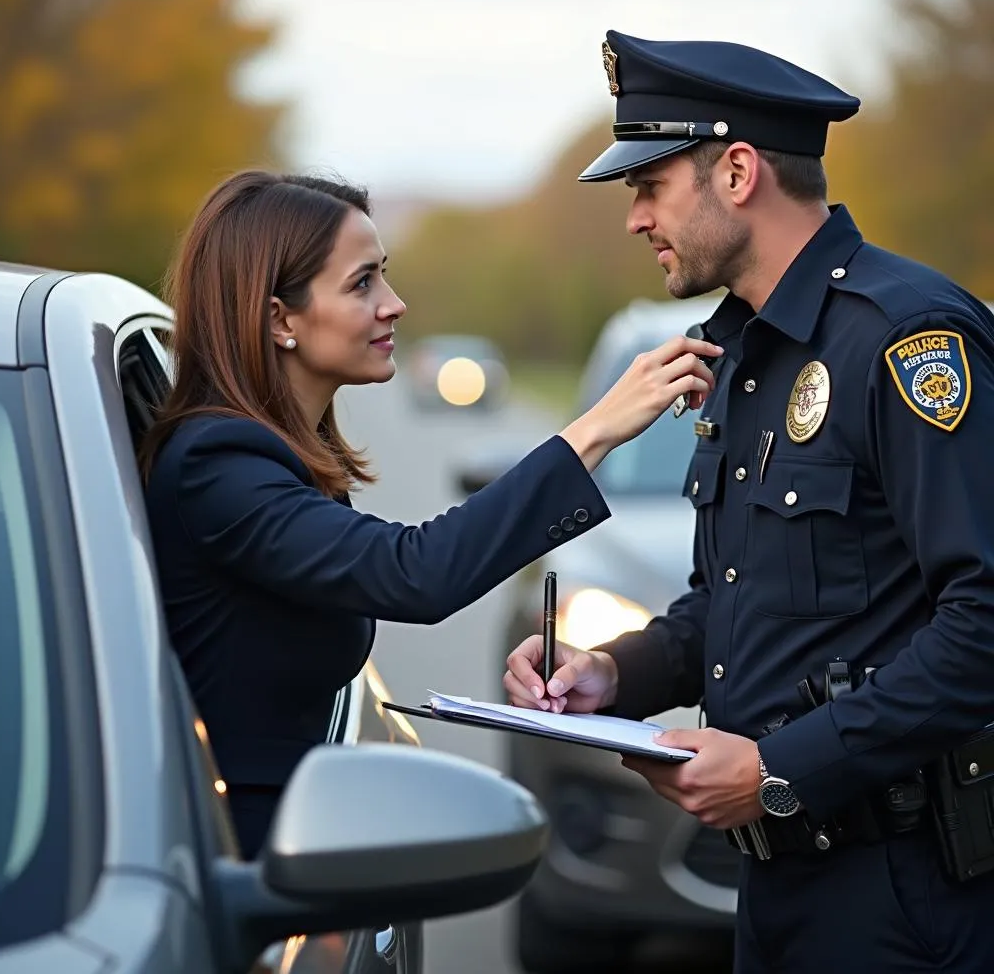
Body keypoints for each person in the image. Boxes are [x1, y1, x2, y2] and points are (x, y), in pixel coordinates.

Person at [503, 29, 994, 972]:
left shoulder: (907, 338)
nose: (635, 219)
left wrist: (778, 771)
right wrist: (615, 673)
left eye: (650, 186)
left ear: (736, 172)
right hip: (777, 891)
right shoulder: (744, 353)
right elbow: (730, 604)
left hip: (906, 893)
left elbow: (983, 623)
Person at [138, 168, 722, 859]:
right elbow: (414, 572)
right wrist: (595, 430)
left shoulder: (279, 454)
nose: (395, 305)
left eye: (384, 274)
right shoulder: (219, 465)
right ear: (278, 318)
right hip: (235, 866)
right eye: (362, 284)